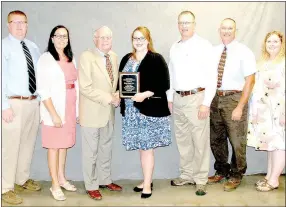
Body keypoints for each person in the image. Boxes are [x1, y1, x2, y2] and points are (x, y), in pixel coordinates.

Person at [118, 26, 171, 199]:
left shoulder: (156, 58)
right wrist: (117, 93)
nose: (138, 41)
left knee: (147, 148)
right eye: (135, 38)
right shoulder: (127, 58)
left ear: (148, 40)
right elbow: (121, 82)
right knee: (142, 148)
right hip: (132, 111)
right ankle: (146, 179)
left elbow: (164, 83)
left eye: (141, 38)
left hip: (148, 111)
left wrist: (145, 94)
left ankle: (147, 184)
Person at [167, 11, 217, 196]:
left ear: (194, 24)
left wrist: (206, 103)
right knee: (183, 140)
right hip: (178, 99)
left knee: (200, 141)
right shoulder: (175, 47)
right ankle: (186, 175)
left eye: (187, 22)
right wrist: (170, 98)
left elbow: (212, 76)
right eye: (181, 22)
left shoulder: (204, 45)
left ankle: (201, 179)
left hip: (197, 98)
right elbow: (171, 75)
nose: (184, 26)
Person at [208, 18, 256, 192]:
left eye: (230, 28)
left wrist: (240, 106)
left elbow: (250, 81)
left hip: (234, 98)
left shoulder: (244, 51)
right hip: (215, 98)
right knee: (216, 138)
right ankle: (221, 170)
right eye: (223, 28)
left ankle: (236, 174)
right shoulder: (214, 51)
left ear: (236, 30)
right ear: (219, 29)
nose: (226, 31)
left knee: (237, 140)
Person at [2, 10, 41, 205]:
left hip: (33, 102)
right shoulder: (3, 46)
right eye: (15, 22)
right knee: (10, 147)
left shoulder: (33, 47)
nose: (19, 26)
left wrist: (40, 101)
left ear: (27, 25)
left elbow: (38, 76)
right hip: (13, 104)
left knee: (27, 143)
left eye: (23, 22)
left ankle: (21, 179)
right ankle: (5, 187)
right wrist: (3, 106)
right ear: (8, 25)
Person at [78, 26, 122, 201]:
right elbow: (85, 87)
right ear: (94, 39)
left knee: (106, 148)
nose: (105, 41)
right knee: (90, 152)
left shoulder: (114, 56)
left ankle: (105, 180)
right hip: (91, 112)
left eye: (108, 38)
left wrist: (118, 94)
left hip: (108, 112)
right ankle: (91, 185)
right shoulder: (86, 57)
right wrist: (109, 98)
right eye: (102, 37)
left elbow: (115, 83)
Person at [37, 25, 79, 201]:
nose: (62, 39)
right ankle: (54, 184)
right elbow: (43, 90)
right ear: (52, 38)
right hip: (53, 109)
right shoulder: (45, 59)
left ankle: (62, 178)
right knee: (54, 146)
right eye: (58, 36)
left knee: (63, 145)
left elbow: (76, 85)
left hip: (69, 107)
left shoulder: (71, 58)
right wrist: (53, 114)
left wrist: (77, 111)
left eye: (65, 36)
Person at [247, 31, 285, 192]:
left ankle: (275, 179)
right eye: (269, 41)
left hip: (278, 110)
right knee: (270, 144)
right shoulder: (263, 62)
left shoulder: (283, 62)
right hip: (263, 111)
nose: (272, 44)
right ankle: (269, 176)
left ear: (282, 43)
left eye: (275, 41)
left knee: (279, 144)